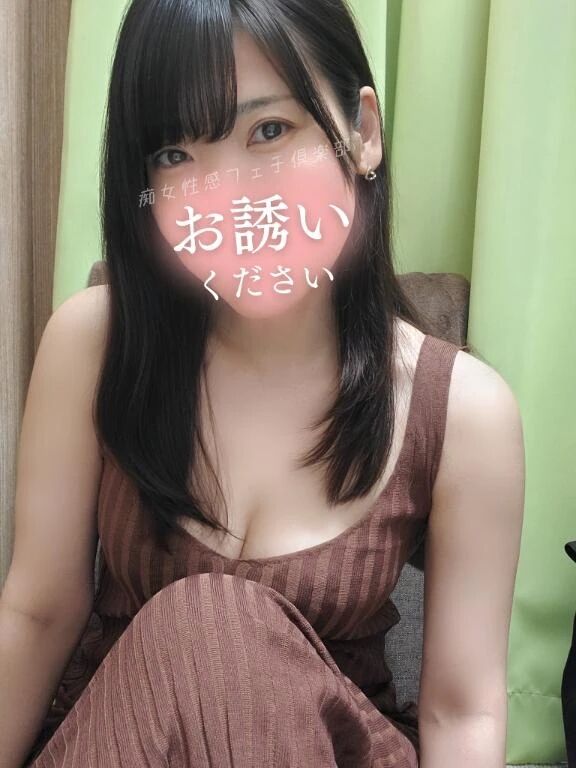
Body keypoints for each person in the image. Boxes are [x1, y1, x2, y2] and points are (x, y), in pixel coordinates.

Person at [0, 0, 525, 765]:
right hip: (120, 745)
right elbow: (38, 613)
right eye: (175, 153)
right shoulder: (94, 343)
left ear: (362, 131)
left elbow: (462, 708)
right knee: (202, 627)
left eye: (270, 131)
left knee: (215, 624)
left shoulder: (465, 411)